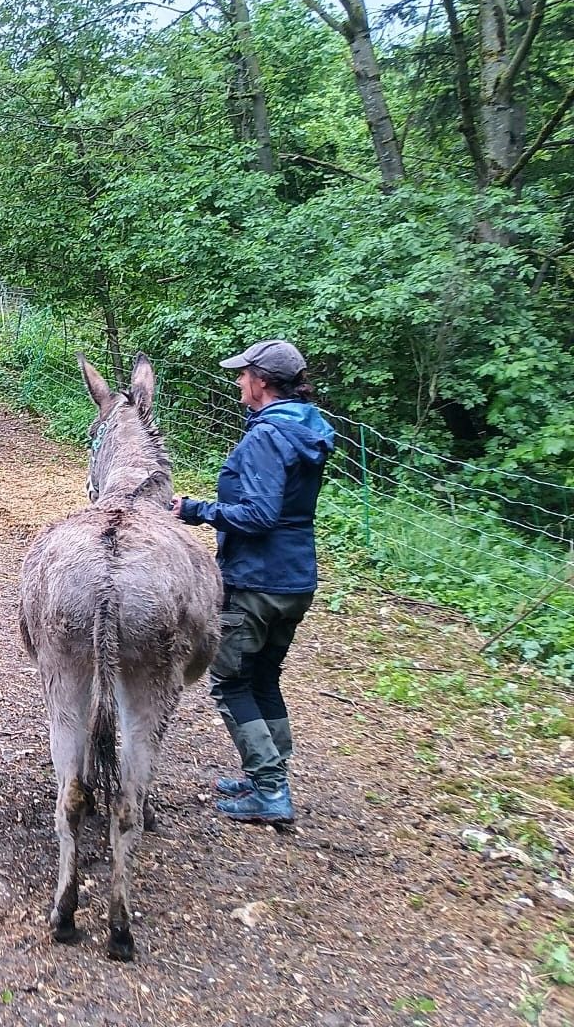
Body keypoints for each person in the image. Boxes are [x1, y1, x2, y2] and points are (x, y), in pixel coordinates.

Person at [171, 339, 335, 826]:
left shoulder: (267, 436)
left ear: (262, 381)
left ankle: (270, 788)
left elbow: (260, 515)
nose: (239, 381)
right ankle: (269, 773)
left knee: (229, 681)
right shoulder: (307, 427)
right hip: (295, 579)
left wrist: (197, 510)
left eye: (244, 374)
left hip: (257, 581)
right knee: (263, 677)